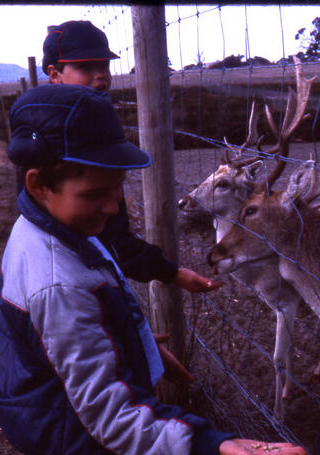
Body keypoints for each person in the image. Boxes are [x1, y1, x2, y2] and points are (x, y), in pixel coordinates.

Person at [0, 84, 307, 455]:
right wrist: (207, 445)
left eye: (117, 188)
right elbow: (108, 414)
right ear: (39, 184)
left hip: (61, 424)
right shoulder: (57, 280)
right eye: (94, 194)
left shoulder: (50, 229)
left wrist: (139, 348)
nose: (113, 207)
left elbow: (71, 337)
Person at [41, 20, 218, 296]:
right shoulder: (54, 141)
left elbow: (112, 236)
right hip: (70, 286)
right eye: (86, 67)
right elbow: (107, 239)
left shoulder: (85, 126)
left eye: (105, 66)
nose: (101, 76)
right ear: (54, 74)